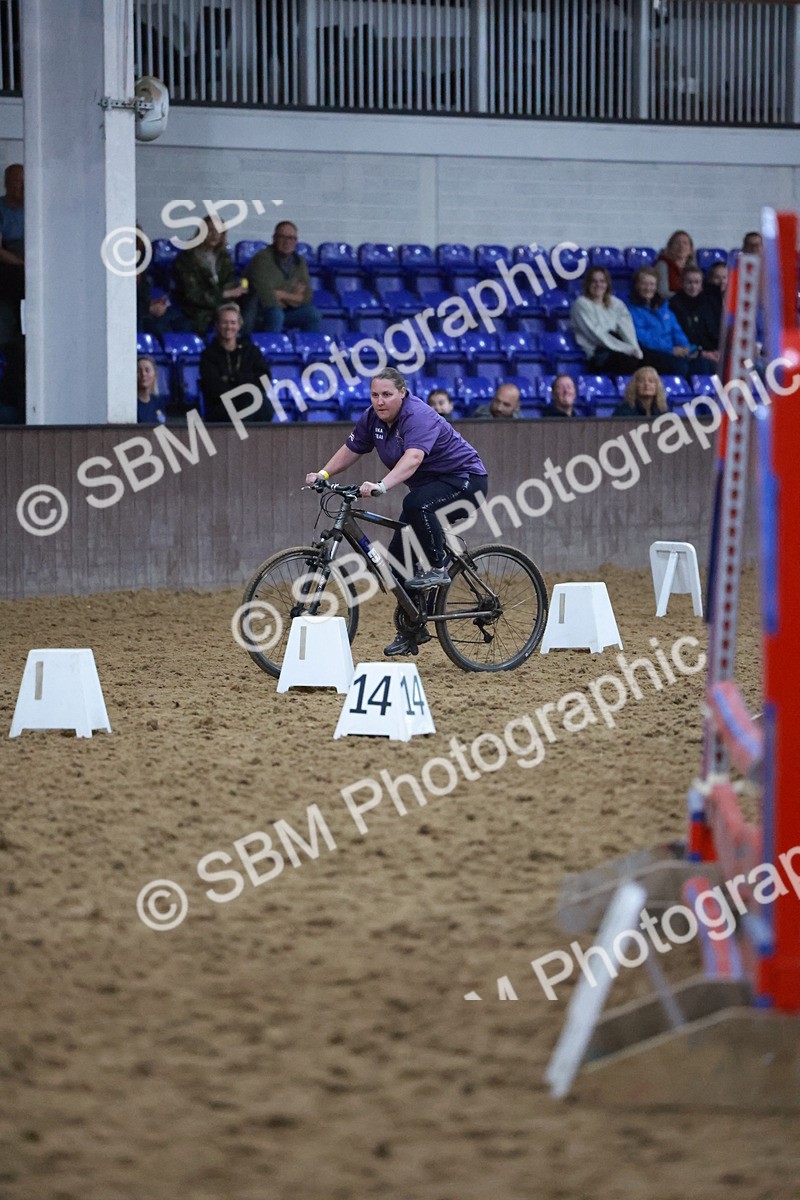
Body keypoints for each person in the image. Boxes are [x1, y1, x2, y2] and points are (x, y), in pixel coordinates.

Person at [305, 366, 488, 657]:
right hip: (430, 488)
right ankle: (412, 629)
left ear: (402, 393)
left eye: (387, 395)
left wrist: (381, 485)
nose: (380, 401)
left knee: (416, 504)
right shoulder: (371, 418)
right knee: (398, 563)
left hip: (466, 481)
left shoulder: (418, 415)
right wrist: (324, 474)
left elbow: (413, 458)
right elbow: (352, 448)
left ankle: (438, 568)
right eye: (375, 395)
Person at [627, 266, 717, 378]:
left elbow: (676, 330)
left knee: (705, 365)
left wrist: (685, 348)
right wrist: (670, 349)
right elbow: (643, 338)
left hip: (674, 351)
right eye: (644, 284)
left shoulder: (663, 306)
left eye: (652, 284)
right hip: (652, 353)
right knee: (679, 366)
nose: (648, 288)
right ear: (636, 286)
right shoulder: (630, 310)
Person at [199, 302, 273, 423]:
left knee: (265, 405)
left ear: (239, 326)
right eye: (224, 322)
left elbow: (264, 381)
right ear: (217, 325)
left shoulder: (251, 351)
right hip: (220, 407)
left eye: (233, 322)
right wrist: (247, 383)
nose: (229, 327)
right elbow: (214, 389)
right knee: (249, 402)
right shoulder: (208, 355)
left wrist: (232, 379)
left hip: (251, 400)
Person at [244, 220, 321, 335]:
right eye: (282, 237)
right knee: (276, 314)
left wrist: (281, 294)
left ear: (296, 241)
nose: (287, 242)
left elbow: (306, 297)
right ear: (274, 238)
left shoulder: (299, 262)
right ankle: (271, 349)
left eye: (291, 238)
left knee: (313, 314)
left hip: (287, 310)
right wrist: (294, 296)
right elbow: (266, 296)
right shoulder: (261, 259)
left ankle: (309, 350)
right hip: (260, 310)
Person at [173, 217, 245, 335]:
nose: (214, 235)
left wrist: (237, 288)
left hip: (221, 307)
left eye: (219, 231)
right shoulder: (187, 258)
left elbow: (228, 282)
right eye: (210, 230)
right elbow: (192, 295)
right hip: (195, 310)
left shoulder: (223, 257)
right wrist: (226, 294)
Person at [570, 266, 643, 374]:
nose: (598, 285)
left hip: (619, 346)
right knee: (628, 362)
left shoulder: (616, 303)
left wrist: (635, 349)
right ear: (588, 284)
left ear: (607, 284)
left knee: (649, 360)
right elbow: (596, 334)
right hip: (598, 353)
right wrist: (626, 349)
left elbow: (627, 328)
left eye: (602, 281)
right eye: (594, 281)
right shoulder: (581, 304)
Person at [668, 265, 721, 364]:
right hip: (691, 353)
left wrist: (718, 350)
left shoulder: (709, 303)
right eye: (689, 282)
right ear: (682, 283)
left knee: (749, 365)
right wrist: (702, 353)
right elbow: (681, 336)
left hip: (713, 352)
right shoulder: (674, 304)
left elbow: (715, 331)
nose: (693, 287)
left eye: (696, 282)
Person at [0, 163, 24, 337]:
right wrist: (23, 264)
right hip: (9, 268)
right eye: (17, 182)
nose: (23, 187)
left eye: (25, 181)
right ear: (7, 184)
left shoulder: (36, 208)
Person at [655, 229, 696, 300]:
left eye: (685, 243)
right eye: (677, 243)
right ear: (670, 247)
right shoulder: (662, 265)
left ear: (690, 250)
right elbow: (663, 292)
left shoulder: (693, 267)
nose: (681, 246)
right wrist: (685, 297)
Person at [137, 355, 166, 424]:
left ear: (155, 375)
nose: (143, 374)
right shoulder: (131, 405)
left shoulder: (158, 402)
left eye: (147, 370)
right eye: (138, 371)